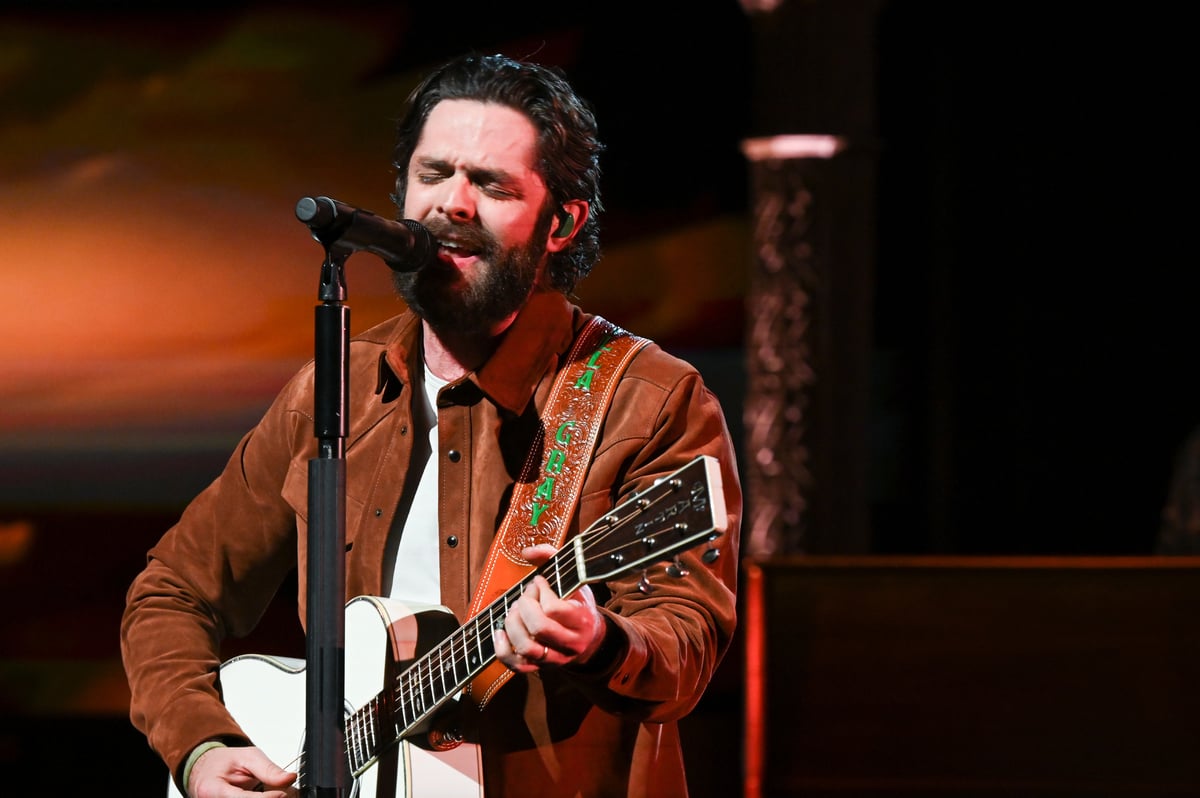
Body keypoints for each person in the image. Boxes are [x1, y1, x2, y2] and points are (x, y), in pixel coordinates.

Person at [121, 52, 742, 798]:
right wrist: (200, 748)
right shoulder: (337, 387)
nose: (452, 203)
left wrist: (602, 641)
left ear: (562, 222)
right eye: (433, 174)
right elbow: (173, 591)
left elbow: (688, 632)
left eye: (491, 184)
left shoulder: (647, 399)